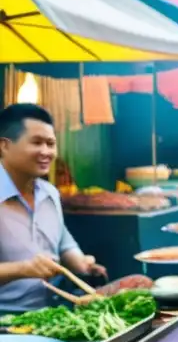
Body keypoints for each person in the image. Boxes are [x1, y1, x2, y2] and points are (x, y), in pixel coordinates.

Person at [0, 104, 108, 313]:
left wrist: (79, 262)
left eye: (51, 144)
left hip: (54, 313)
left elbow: (62, 241)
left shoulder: (50, 193)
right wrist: (22, 269)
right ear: (4, 146)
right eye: (37, 142)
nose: (46, 152)